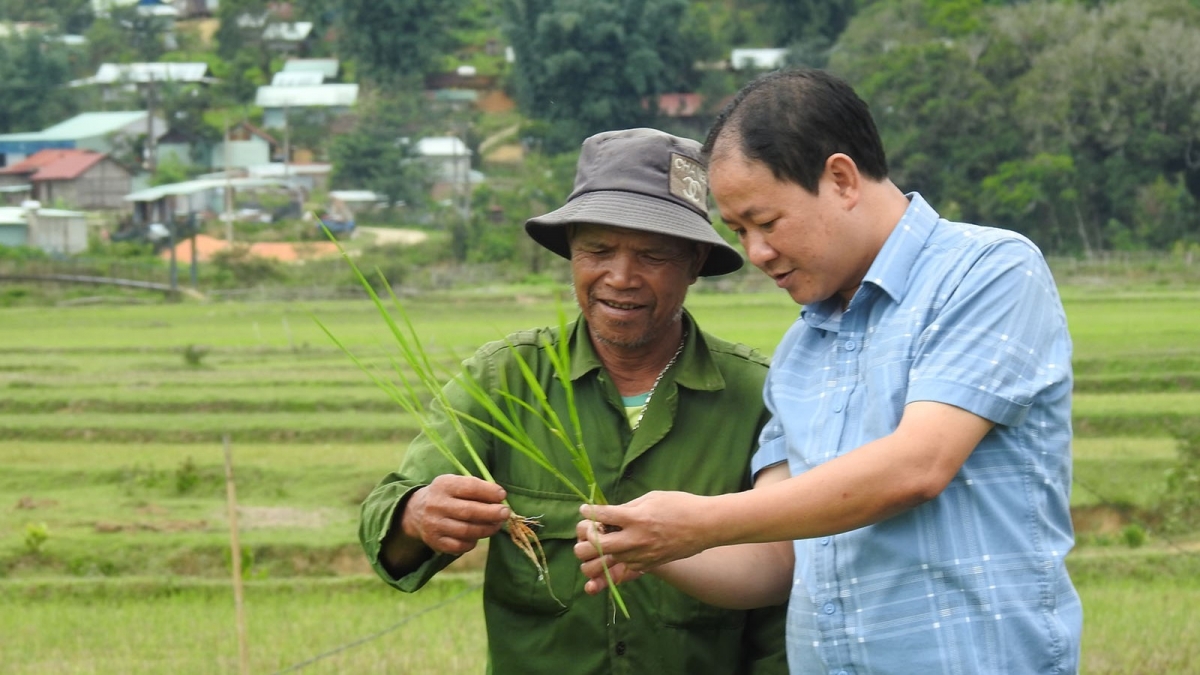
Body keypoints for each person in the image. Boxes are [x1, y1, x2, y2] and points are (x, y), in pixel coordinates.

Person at [576, 69, 1082, 674]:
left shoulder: (986, 272)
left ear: (840, 178)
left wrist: (701, 519)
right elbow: (775, 559)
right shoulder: (801, 349)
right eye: (738, 231)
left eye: (766, 222)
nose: (756, 253)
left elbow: (917, 467)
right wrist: (654, 545)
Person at [359, 128, 787, 674]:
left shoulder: (758, 398)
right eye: (598, 250)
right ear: (570, 254)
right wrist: (418, 516)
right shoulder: (504, 380)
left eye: (652, 255)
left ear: (696, 262)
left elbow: (780, 608)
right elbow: (386, 533)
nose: (620, 278)